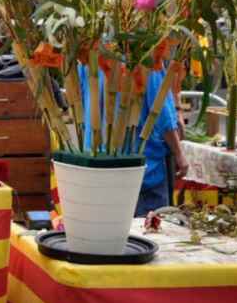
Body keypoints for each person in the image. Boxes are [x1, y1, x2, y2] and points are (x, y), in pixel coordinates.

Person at [80, 66, 189, 216]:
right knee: (147, 232)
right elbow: (162, 115)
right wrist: (179, 153)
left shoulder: (88, 53)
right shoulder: (148, 56)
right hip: (141, 170)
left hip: (96, 165)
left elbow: (81, 100)